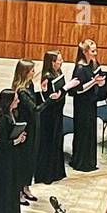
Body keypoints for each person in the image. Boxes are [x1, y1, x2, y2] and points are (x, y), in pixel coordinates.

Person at [68, 37, 107, 172]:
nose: (95, 53)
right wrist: (94, 82)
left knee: (90, 132)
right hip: (82, 106)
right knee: (83, 132)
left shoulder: (91, 64)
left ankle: (89, 161)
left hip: (90, 103)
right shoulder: (80, 68)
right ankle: (81, 162)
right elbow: (77, 90)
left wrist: (100, 81)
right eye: (93, 51)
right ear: (85, 52)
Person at [35, 50, 67, 184]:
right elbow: (48, 99)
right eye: (59, 60)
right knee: (49, 142)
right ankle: (47, 173)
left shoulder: (58, 72)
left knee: (56, 141)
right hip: (49, 117)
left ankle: (56, 171)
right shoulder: (47, 77)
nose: (62, 61)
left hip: (57, 113)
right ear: (52, 62)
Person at [11, 58, 41, 205]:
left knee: (31, 158)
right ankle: (19, 190)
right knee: (24, 160)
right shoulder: (21, 90)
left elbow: (35, 101)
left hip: (33, 125)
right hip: (25, 127)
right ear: (25, 72)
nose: (34, 72)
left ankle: (26, 186)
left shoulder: (30, 85)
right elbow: (34, 108)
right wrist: (50, 99)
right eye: (32, 70)